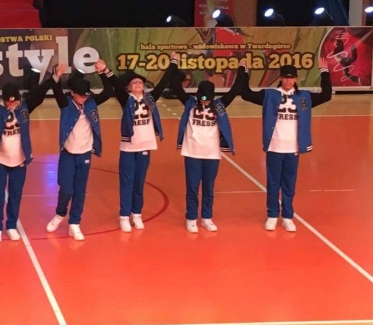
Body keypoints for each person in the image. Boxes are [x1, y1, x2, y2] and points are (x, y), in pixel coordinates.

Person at [239, 60, 332, 232]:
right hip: (275, 147)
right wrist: (243, 70)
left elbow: (326, 95)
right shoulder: (270, 95)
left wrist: (324, 72)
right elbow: (245, 93)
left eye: (291, 78)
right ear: (281, 78)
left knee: (289, 185)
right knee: (273, 184)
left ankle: (287, 217)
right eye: (285, 78)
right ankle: (272, 215)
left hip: (293, 149)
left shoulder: (304, 97)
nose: (288, 81)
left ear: (296, 79)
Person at [0, 76, 54, 243]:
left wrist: (54, 77)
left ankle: (12, 226)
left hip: (19, 161)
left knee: (15, 195)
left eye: (13, 101)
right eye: (8, 101)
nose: (11, 104)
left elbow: (39, 93)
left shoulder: (25, 108)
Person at [168, 54, 247, 233]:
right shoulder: (189, 103)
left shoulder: (219, 105)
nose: (205, 100)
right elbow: (174, 85)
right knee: (192, 187)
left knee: (209, 188)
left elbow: (235, 89)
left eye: (208, 97)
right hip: (192, 152)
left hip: (212, 154)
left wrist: (242, 68)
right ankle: (191, 218)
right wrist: (174, 63)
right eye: (202, 97)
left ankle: (206, 218)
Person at [46, 60, 114, 241]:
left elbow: (109, 91)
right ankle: (60, 214)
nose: (84, 98)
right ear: (73, 93)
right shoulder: (65, 104)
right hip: (68, 154)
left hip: (84, 154)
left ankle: (74, 223)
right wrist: (56, 76)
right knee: (66, 190)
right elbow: (56, 90)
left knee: (80, 190)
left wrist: (103, 72)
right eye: (81, 96)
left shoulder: (91, 103)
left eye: (86, 95)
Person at [108, 64, 174, 232]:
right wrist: (106, 71)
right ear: (129, 87)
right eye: (134, 82)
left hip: (145, 146)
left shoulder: (150, 99)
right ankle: (124, 216)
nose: (138, 84)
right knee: (127, 182)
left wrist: (173, 62)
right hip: (129, 147)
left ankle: (136, 214)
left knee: (139, 183)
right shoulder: (126, 99)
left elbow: (163, 83)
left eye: (140, 82)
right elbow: (116, 84)